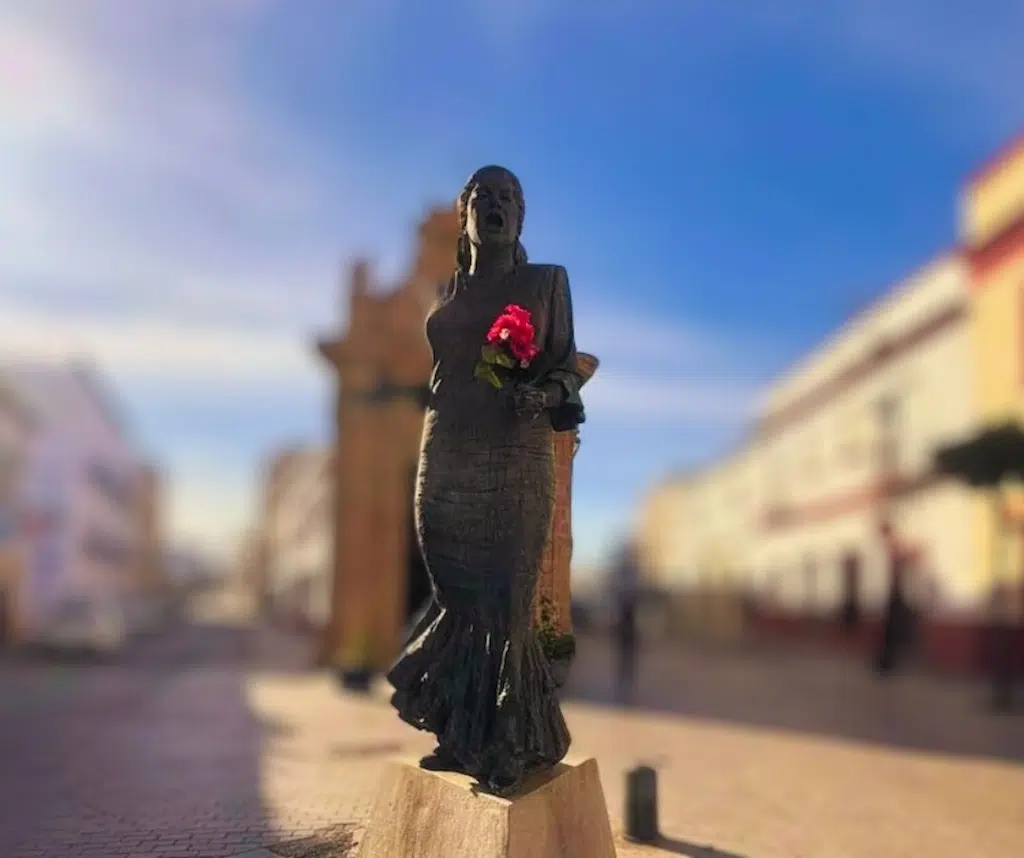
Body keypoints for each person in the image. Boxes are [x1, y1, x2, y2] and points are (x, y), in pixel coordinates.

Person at [386, 165, 586, 795]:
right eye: (484, 199)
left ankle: (510, 742)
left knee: (506, 597)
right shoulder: (448, 289)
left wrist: (542, 394)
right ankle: (461, 732)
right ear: (465, 214)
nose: (496, 208)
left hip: (514, 454)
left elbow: (568, 369)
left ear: (520, 217)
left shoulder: (545, 281)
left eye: (508, 200)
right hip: (446, 450)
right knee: (456, 590)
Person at [873, 519, 917, 676]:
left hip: (897, 592)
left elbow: (902, 562)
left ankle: (887, 662)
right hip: (895, 592)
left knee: (893, 629)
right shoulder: (892, 545)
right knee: (891, 630)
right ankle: (886, 661)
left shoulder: (895, 545)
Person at [610, 539, 641, 702]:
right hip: (626, 617)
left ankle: (626, 683)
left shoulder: (631, 571)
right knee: (625, 653)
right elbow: (621, 594)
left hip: (630, 617)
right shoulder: (626, 571)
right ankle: (624, 683)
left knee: (628, 654)